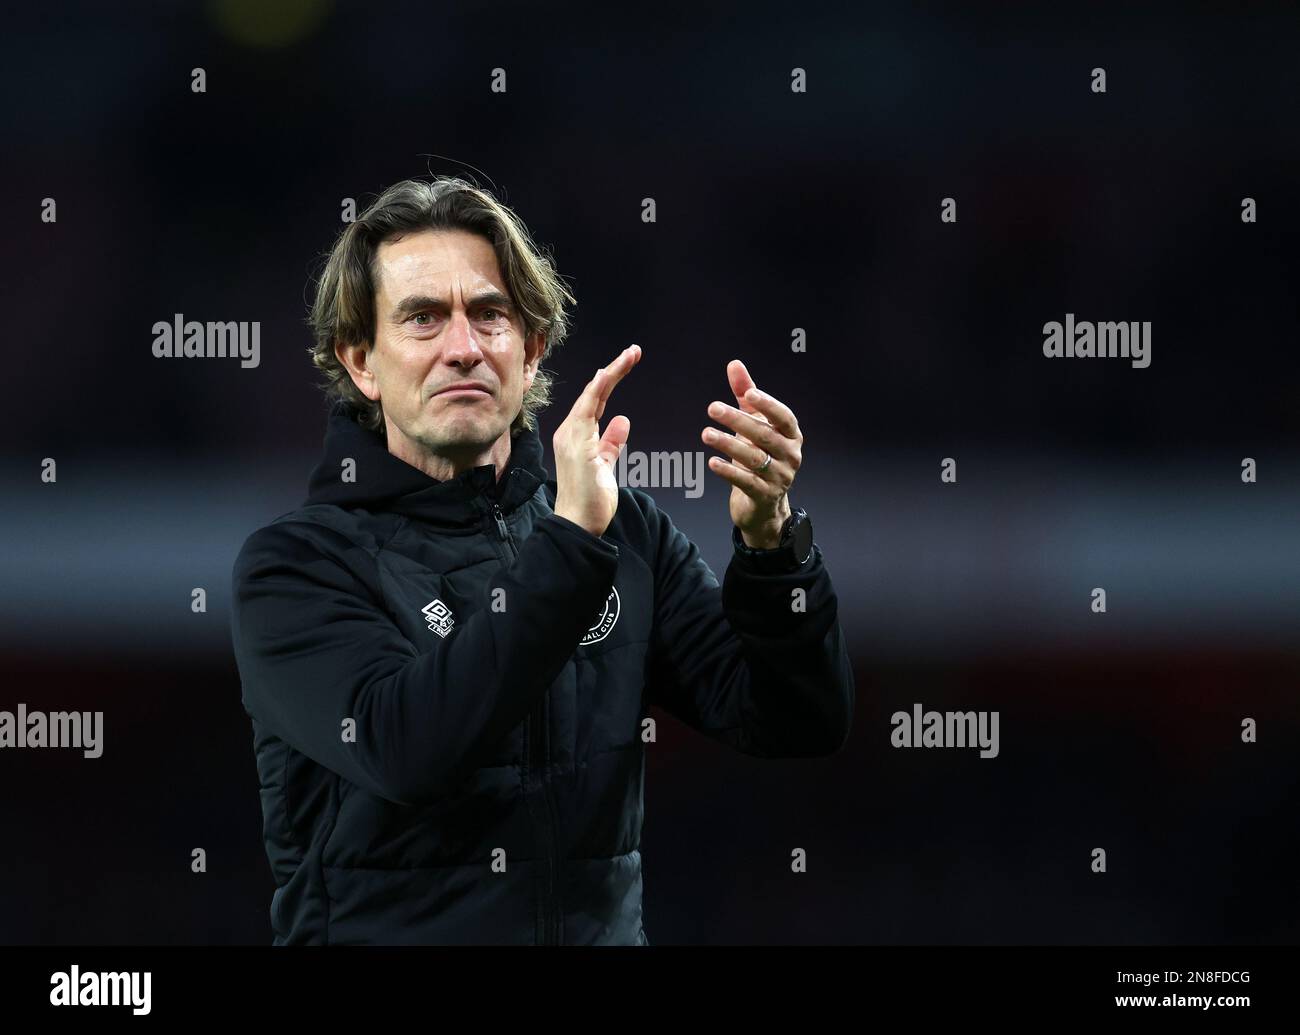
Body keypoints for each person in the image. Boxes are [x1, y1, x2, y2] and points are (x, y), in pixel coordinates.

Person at [229, 177, 854, 945]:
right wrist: (569, 547)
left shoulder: (621, 534)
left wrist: (771, 547)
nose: (462, 347)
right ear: (361, 361)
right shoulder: (296, 566)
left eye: (490, 315)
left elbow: (798, 719)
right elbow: (408, 748)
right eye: (423, 318)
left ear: (529, 352)